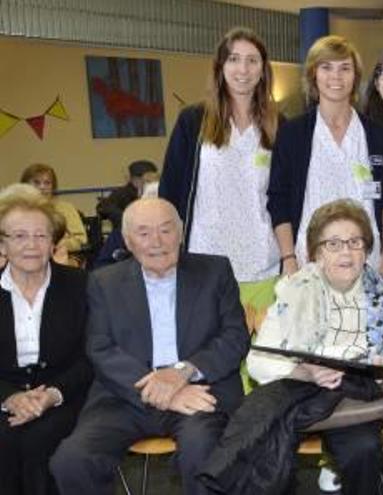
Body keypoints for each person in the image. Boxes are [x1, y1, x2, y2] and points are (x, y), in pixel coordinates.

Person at [49, 198, 250, 495]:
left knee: (202, 450)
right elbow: (100, 347)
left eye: (166, 230)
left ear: (181, 233)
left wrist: (182, 373)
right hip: (125, 395)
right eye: (143, 233)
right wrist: (163, 391)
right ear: (128, 241)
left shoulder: (215, 270)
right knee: (72, 460)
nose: (157, 241)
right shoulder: (104, 282)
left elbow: (235, 337)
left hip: (200, 391)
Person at [203, 199, 383, 495]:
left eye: (355, 242)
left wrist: (362, 368)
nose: (346, 251)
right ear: (316, 253)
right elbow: (258, 361)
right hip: (298, 393)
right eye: (333, 244)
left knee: (363, 448)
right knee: (265, 449)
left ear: (366, 249)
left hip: (354, 399)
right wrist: (304, 372)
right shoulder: (293, 291)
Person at [160, 27, 283, 329]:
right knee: (214, 358)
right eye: (234, 59)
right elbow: (171, 192)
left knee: (265, 362)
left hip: (262, 262)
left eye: (252, 61)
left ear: (263, 70)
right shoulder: (193, 120)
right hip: (206, 261)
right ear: (220, 66)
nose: (243, 69)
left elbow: (283, 195)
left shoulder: (280, 125)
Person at [268, 35, 383, 284]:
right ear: (313, 75)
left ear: (355, 76)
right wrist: (288, 258)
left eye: (345, 68)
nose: (336, 77)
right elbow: (278, 199)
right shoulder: (293, 133)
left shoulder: (377, 136)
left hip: (367, 265)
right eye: (326, 67)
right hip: (308, 265)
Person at [0, 184, 91, 495]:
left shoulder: (81, 286)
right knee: (6, 441)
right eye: (19, 236)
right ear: (2, 244)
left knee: (40, 440)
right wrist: (10, 397)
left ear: (53, 242)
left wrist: (52, 394)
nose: (31, 245)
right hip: (4, 394)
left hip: (66, 394)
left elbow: (91, 355)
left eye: (40, 235)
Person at [20, 164, 87, 264]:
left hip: (62, 255)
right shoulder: (16, 211)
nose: (42, 187)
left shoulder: (66, 208)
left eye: (47, 183)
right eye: (36, 182)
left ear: (53, 187)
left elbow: (81, 239)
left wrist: (54, 245)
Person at [97, 160, 158, 230]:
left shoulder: (154, 191)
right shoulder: (121, 194)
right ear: (135, 179)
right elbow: (105, 208)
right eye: (148, 180)